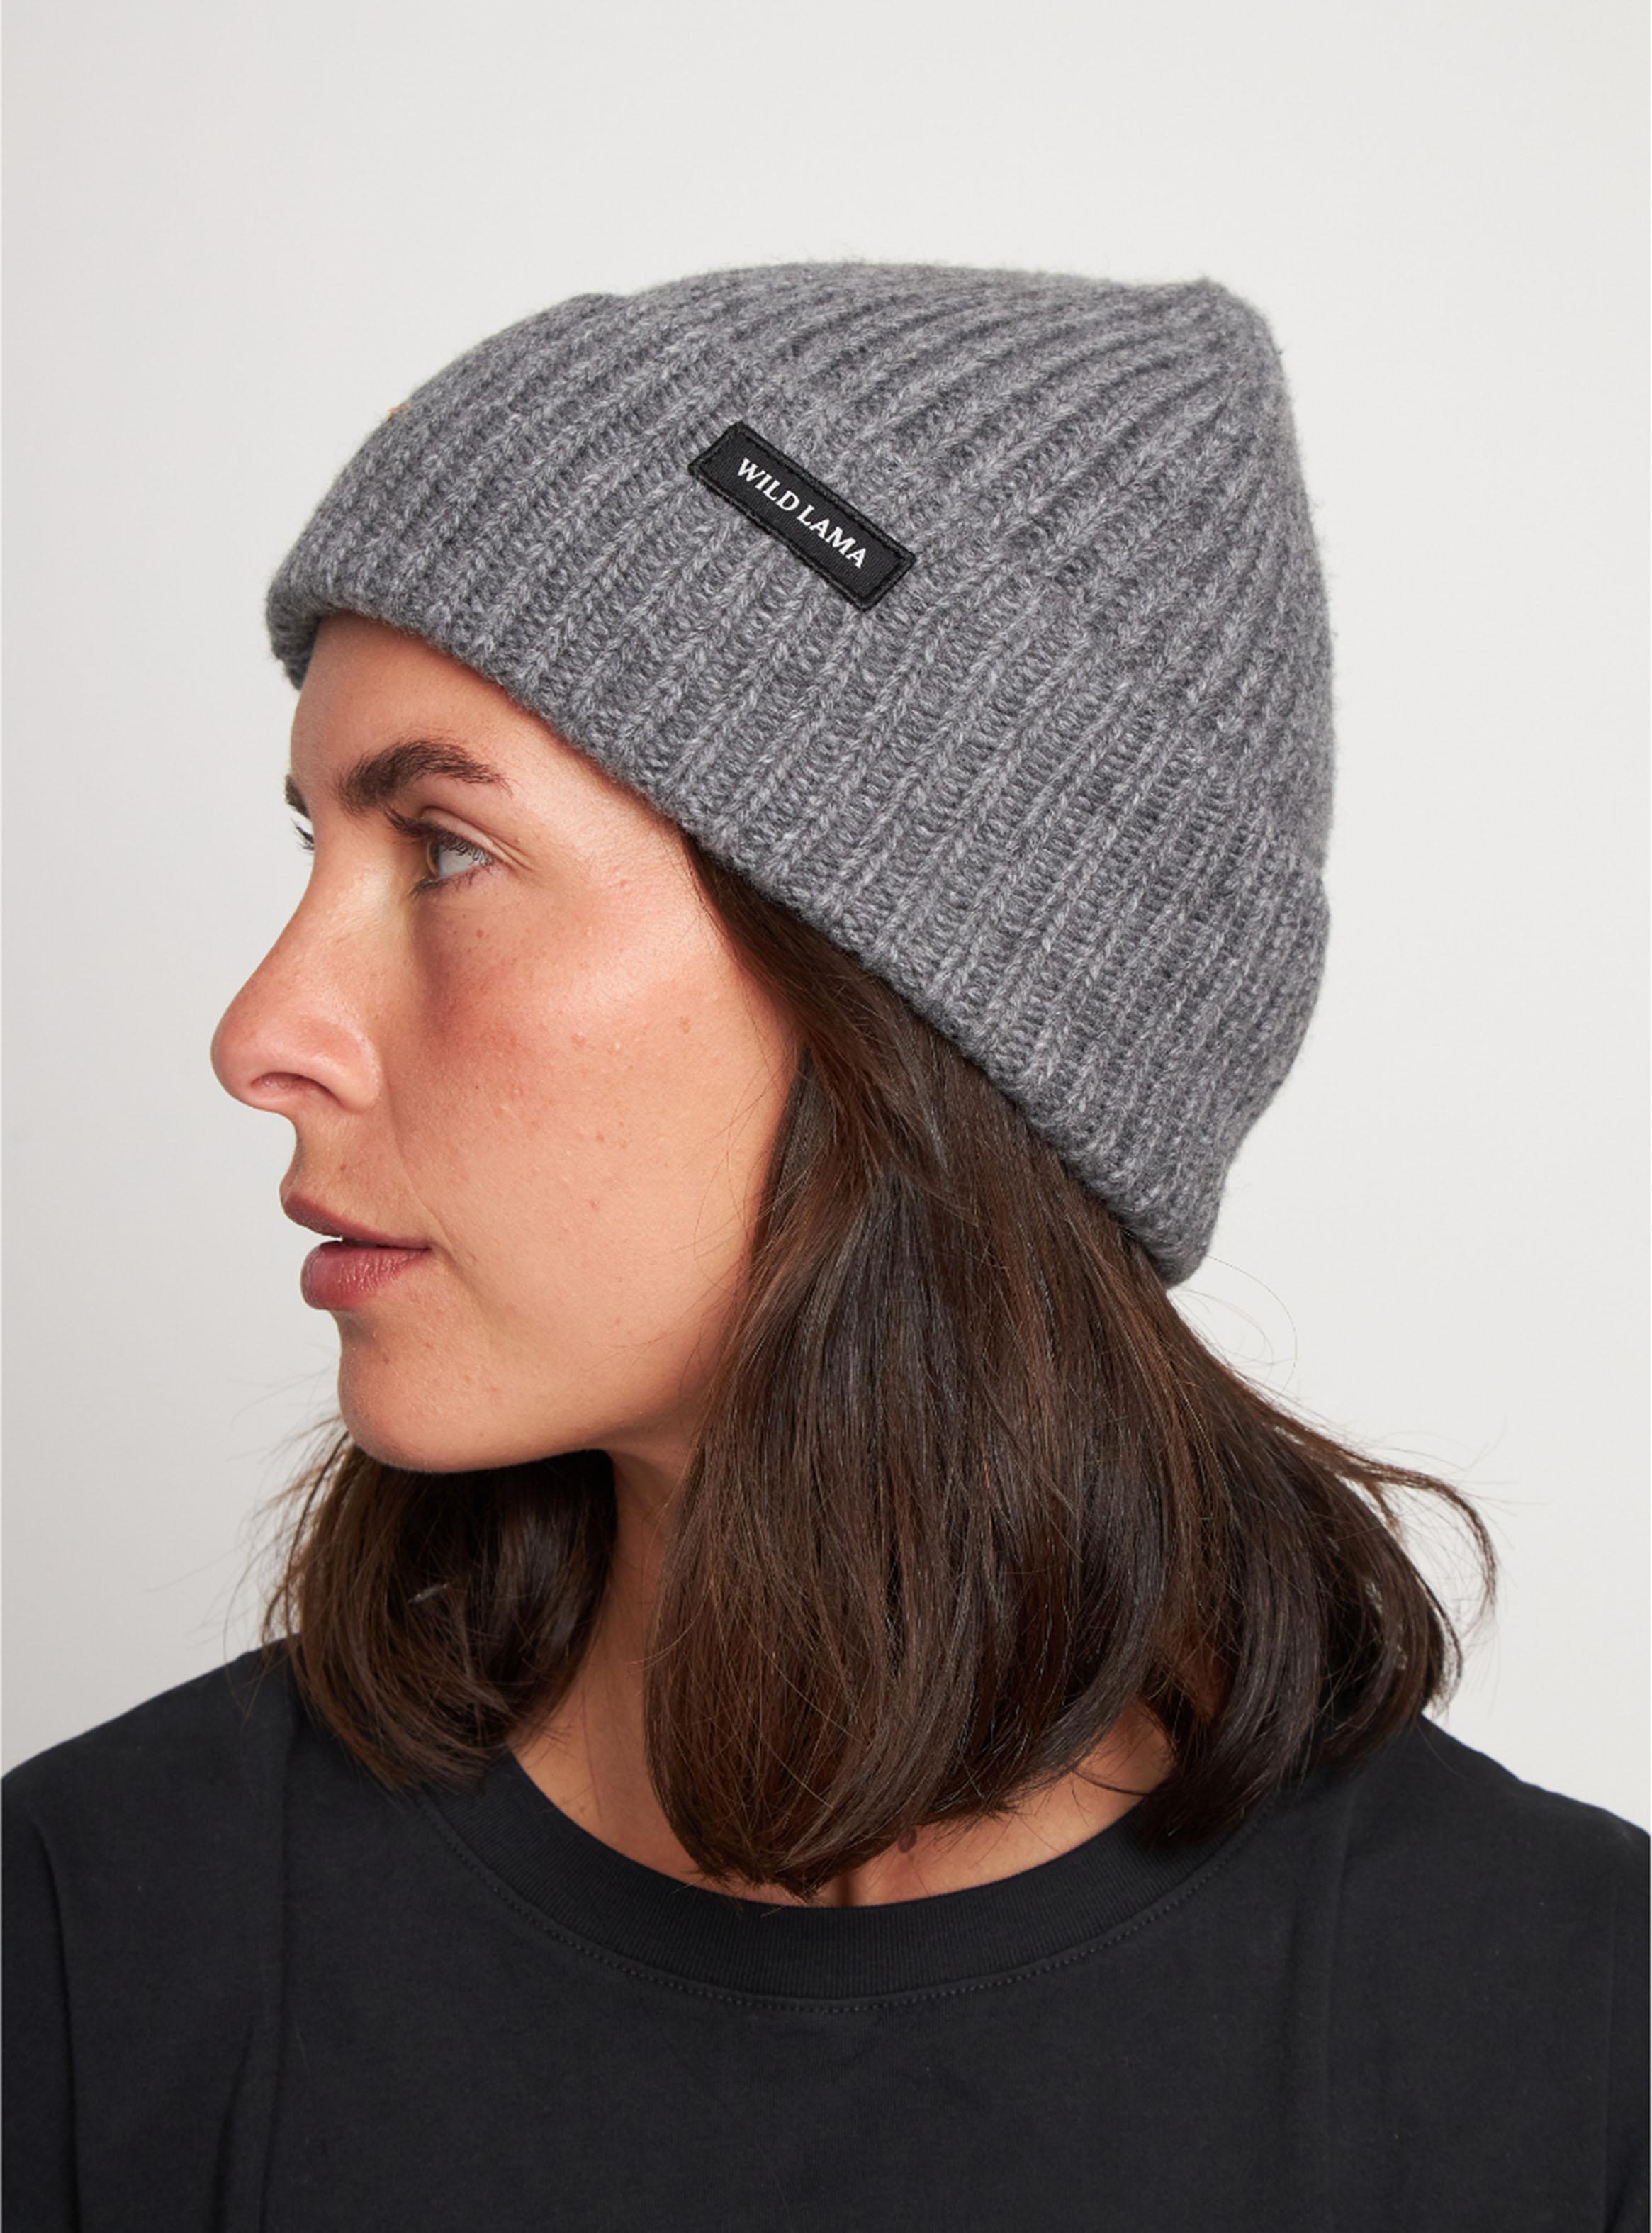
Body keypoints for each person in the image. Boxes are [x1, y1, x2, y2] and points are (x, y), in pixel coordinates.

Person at [4, 260, 1645, 2231]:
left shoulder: (1572, 2055)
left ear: (909, 1009)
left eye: (443, 849)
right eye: (315, 848)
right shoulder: (91, 1948)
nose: (262, 1032)